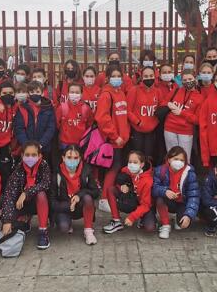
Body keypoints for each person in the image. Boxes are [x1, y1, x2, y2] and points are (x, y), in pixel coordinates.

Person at [1, 141, 52, 250]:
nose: (30, 158)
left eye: (34, 155)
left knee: (41, 194)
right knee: (8, 225)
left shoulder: (44, 166)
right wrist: (7, 221)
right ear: (22, 155)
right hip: (22, 204)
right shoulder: (18, 170)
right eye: (27, 155)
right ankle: (25, 220)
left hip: (41, 204)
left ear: (40, 156)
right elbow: (9, 194)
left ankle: (43, 231)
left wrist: (26, 193)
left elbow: (45, 184)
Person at [95, 64, 130, 211]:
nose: (117, 79)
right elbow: (102, 118)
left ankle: (108, 196)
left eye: (119, 76)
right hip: (113, 140)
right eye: (113, 76)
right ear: (108, 78)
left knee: (116, 167)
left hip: (122, 140)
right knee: (113, 168)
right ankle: (104, 199)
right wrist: (115, 136)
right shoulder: (106, 94)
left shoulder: (120, 93)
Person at [50, 145, 100, 245]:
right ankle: (68, 222)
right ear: (63, 158)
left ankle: (88, 231)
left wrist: (79, 195)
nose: (72, 160)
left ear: (80, 159)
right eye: (69, 157)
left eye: (75, 158)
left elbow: (95, 192)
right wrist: (68, 205)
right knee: (64, 227)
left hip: (80, 205)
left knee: (88, 198)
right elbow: (52, 201)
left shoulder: (86, 170)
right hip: (64, 207)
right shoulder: (56, 173)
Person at [102, 150, 156, 234]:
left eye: (135, 162)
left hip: (145, 205)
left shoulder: (148, 180)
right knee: (111, 189)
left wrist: (132, 217)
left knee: (150, 228)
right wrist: (123, 185)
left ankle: (142, 218)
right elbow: (121, 175)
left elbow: (146, 204)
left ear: (142, 164)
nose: (132, 165)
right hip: (132, 200)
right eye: (130, 162)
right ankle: (116, 221)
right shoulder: (127, 169)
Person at [152, 146, 200, 239]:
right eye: (176, 159)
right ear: (169, 159)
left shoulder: (189, 173)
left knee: (183, 224)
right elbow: (154, 187)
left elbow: (194, 196)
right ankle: (165, 225)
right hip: (168, 200)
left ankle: (178, 219)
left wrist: (188, 215)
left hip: (183, 202)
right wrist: (165, 191)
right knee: (159, 198)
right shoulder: (160, 170)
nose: (179, 162)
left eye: (182, 160)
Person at [162, 69, 203, 158]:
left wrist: (182, 113)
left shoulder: (200, 97)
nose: (187, 82)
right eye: (185, 80)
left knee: (185, 158)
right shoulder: (176, 91)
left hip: (185, 131)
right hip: (170, 128)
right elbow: (163, 103)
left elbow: (197, 120)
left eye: (190, 79)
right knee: (171, 157)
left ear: (195, 79)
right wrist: (169, 104)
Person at [126, 66, 160, 161]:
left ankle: (147, 174)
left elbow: (161, 108)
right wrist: (137, 122)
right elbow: (128, 110)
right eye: (146, 76)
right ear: (141, 77)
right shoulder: (134, 90)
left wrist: (154, 123)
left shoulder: (157, 91)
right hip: (137, 130)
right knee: (137, 155)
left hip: (151, 131)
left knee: (149, 156)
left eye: (151, 75)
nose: (149, 78)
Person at [14, 81, 56, 152]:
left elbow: (51, 128)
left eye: (37, 91)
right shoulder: (22, 108)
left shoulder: (48, 107)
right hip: (27, 147)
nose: (35, 94)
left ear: (42, 93)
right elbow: (19, 128)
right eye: (32, 92)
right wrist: (26, 144)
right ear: (28, 94)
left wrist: (41, 144)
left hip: (44, 147)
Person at [55, 82, 94, 149]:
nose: (74, 94)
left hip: (81, 143)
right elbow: (57, 124)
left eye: (77, 92)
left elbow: (89, 125)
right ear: (68, 94)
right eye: (72, 92)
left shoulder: (86, 109)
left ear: (81, 94)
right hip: (65, 143)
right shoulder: (62, 108)